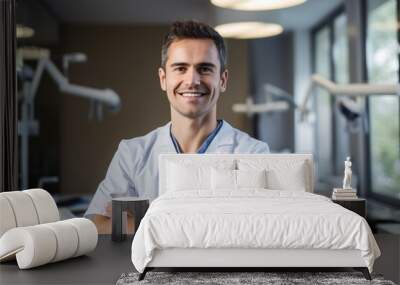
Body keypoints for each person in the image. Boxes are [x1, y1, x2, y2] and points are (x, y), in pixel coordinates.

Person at [85, 20, 270, 233]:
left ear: (223, 80)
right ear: (164, 79)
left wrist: (147, 218)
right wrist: (212, 220)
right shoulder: (132, 153)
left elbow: (256, 230)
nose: (192, 80)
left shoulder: (253, 153)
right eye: (180, 68)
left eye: (205, 69)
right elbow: (95, 226)